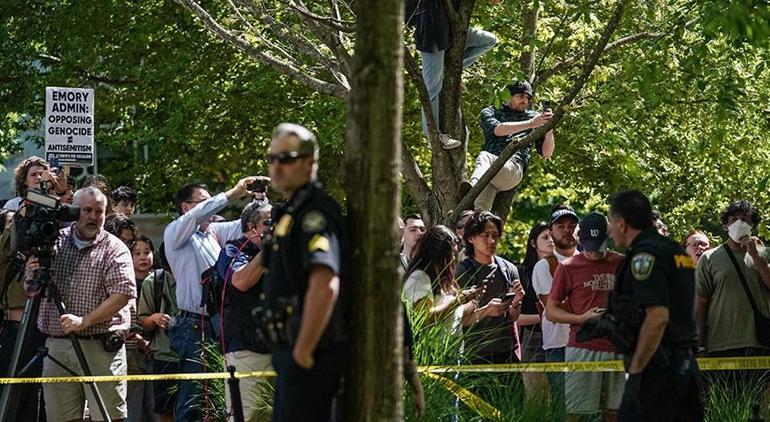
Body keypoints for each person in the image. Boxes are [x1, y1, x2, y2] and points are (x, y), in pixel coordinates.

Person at [25, 187, 137, 422]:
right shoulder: (54, 241)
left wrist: (84, 321)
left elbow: (122, 294)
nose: (93, 216)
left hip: (100, 345)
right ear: (74, 211)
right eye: (87, 210)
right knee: (60, 417)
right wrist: (30, 273)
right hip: (56, 346)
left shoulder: (115, 248)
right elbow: (31, 291)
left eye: (99, 211)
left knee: (108, 417)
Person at [261, 123, 348, 421]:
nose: (277, 167)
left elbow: (325, 282)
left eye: (286, 158)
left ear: (310, 162)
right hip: (291, 350)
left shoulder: (314, 214)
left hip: (313, 355)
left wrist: (303, 351)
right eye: (272, 159)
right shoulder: (293, 212)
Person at [163, 176, 257, 421]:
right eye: (205, 201)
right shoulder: (176, 232)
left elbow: (250, 226)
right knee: (194, 397)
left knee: (217, 396)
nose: (213, 206)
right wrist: (232, 193)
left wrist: (259, 197)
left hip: (217, 323)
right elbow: (198, 215)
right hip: (194, 325)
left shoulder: (212, 232)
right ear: (186, 207)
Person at [606, 189, 702, 421]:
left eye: (610, 221)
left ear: (621, 223)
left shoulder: (644, 256)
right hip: (686, 367)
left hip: (657, 370)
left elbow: (657, 316)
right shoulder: (675, 251)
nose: (608, 229)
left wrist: (637, 367)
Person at [546, 212, 625, 421]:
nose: (594, 252)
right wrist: (582, 318)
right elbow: (550, 310)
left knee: (616, 412)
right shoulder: (568, 267)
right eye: (590, 245)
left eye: (598, 245)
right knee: (577, 414)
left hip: (618, 347)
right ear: (580, 238)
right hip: (582, 348)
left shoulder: (622, 263)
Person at [404, 0, 498, 149]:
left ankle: (446, 71)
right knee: (432, 87)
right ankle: (433, 135)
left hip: (452, 29)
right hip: (432, 31)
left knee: (488, 40)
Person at [695, 201, 770, 384]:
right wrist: (699, 344)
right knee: (725, 406)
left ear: (752, 224)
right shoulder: (709, 257)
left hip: (759, 342)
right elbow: (701, 303)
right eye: (733, 218)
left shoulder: (765, 254)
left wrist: (755, 255)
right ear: (725, 225)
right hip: (722, 344)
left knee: (758, 407)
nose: (739, 223)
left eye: (744, 219)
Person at [216, 201, 273, 421]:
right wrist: (268, 249)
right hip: (245, 350)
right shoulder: (233, 249)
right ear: (252, 227)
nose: (275, 227)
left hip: (280, 348)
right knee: (246, 417)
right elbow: (240, 280)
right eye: (269, 222)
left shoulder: (283, 251)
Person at [460, 80, 555, 210]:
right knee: (479, 212)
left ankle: (472, 188)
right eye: (520, 96)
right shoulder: (491, 111)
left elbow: (547, 153)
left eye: (527, 97)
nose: (525, 101)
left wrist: (549, 129)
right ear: (507, 96)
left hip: (513, 169)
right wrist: (531, 123)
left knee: (484, 157)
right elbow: (498, 130)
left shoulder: (535, 118)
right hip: (489, 172)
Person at [456, 211, 525, 364]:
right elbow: (458, 320)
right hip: (473, 355)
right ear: (471, 238)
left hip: (506, 352)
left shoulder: (509, 269)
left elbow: (512, 317)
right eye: (485, 235)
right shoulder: (462, 272)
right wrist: (486, 311)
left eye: (495, 235)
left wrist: (516, 302)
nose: (491, 241)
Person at [532, 205, 577, 416]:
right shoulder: (544, 266)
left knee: (594, 410)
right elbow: (554, 306)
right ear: (551, 233)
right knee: (564, 409)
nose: (567, 230)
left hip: (591, 344)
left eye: (572, 225)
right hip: (559, 346)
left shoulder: (592, 261)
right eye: (561, 226)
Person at [402, 225, 485, 332]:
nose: (454, 258)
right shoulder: (419, 278)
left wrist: (473, 298)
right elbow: (424, 319)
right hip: (431, 348)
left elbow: (454, 316)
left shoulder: (440, 279)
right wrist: (459, 299)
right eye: (451, 254)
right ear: (437, 254)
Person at [137, 242, 178, 422]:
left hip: (195, 354)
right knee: (166, 410)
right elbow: (143, 322)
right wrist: (154, 318)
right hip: (165, 356)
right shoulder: (153, 282)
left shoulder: (198, 276)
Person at [517, 221, 552, 404]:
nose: (551, 241)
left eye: (552, 237)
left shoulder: (564, 268)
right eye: (545, 237)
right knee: (536, 402)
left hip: (561, 340)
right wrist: (548, 316)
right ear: (533, 243)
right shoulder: (521, 273)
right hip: (533, 339)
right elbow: (517, 318)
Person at [126, 235, 156, 422]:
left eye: (147, 252)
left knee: (155, 406)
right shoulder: (125, 282)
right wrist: (137, 338)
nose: (143, 257)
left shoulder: (159, 280)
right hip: (131, 352)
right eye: (137, 253)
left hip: (156, 350)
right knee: (133, 406)